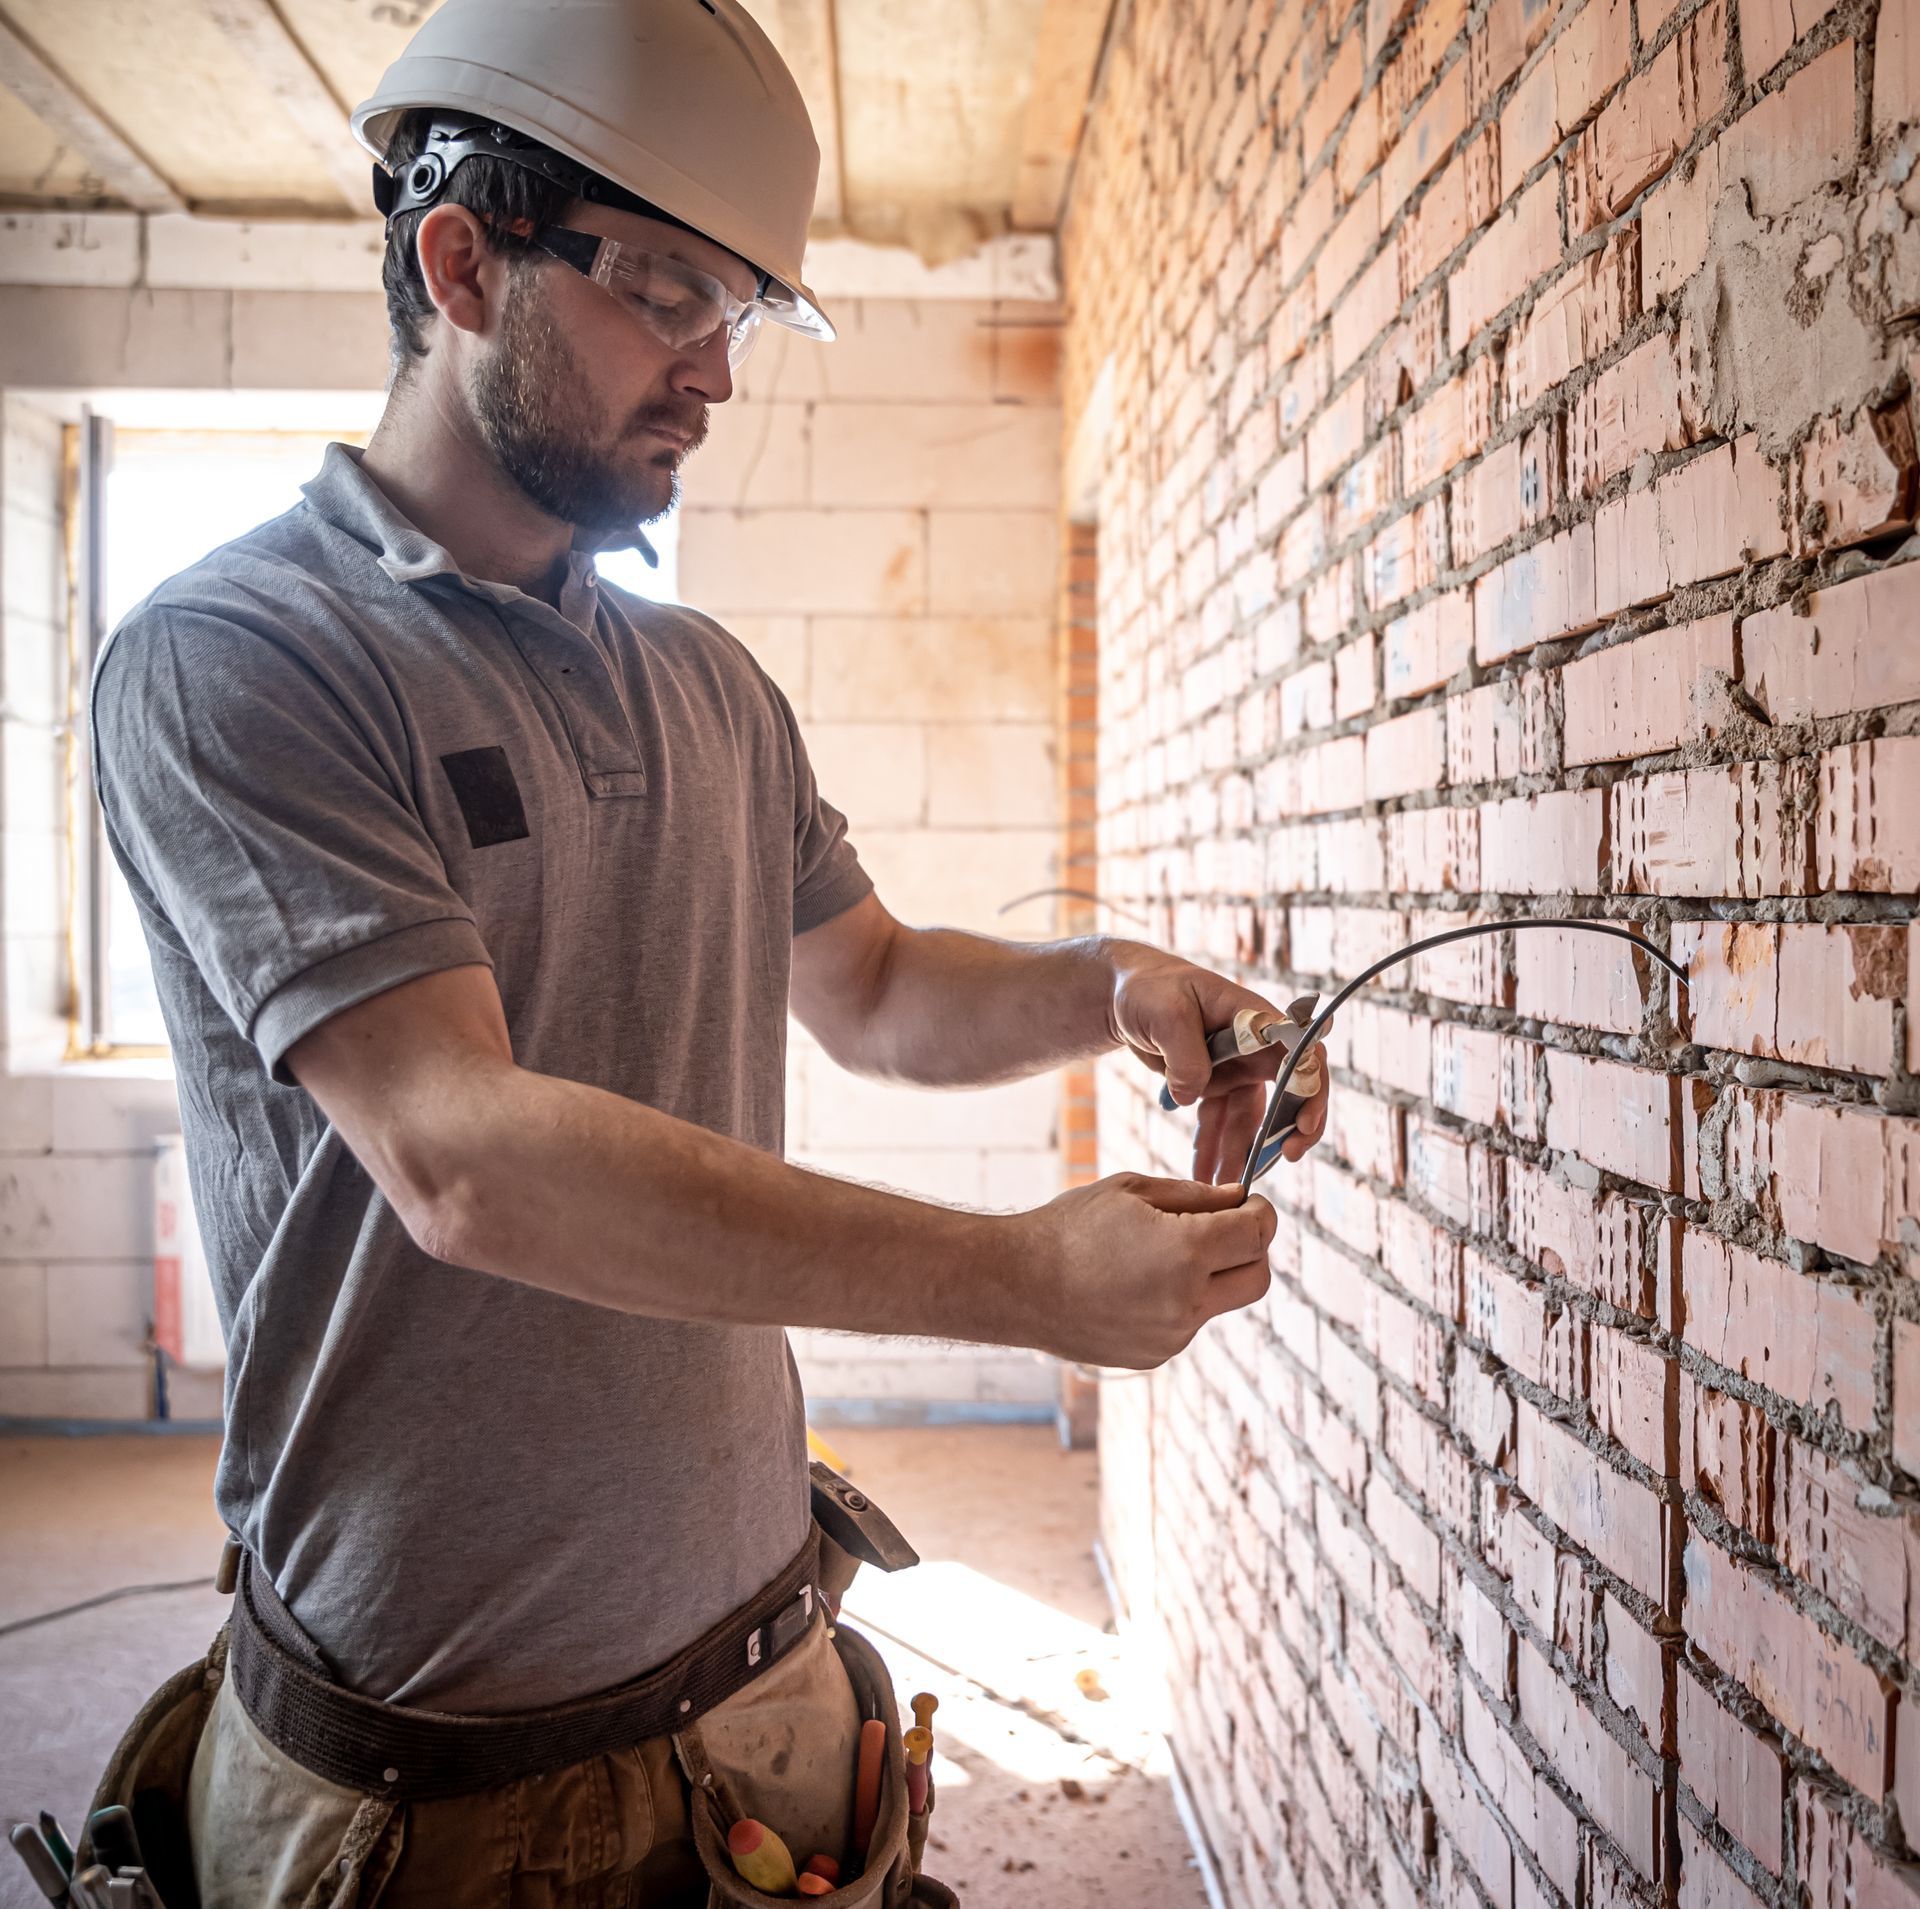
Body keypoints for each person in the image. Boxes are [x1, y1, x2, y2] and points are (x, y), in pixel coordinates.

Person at [87, 0, 1330, 1899]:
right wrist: (1015, 1281)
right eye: (669, 296)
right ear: (461, 263)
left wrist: (1111, 985)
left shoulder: (704, 685)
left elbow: (884, 992)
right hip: (428, 1777)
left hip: (768, 1697)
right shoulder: (240, 657)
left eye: (737, 312)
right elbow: (463, 1155)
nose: (716, 375)